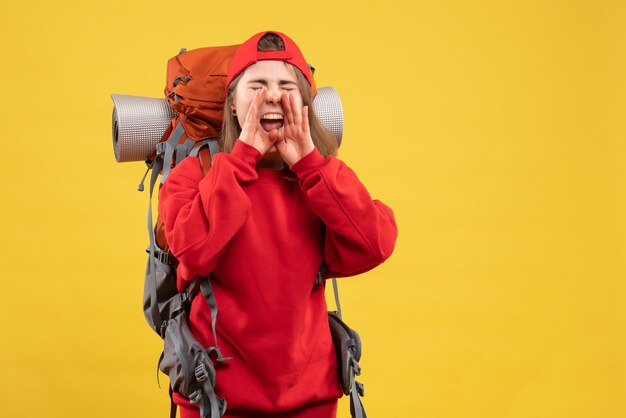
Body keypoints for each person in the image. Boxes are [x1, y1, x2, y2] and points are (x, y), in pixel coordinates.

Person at [158, 30, 398, 418]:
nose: (272, 95)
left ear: (304, 105)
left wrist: (311, 167)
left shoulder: (320, 179)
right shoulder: (194, 175)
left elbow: (374, 244)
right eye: (257, 85)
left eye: (287, 85)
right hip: (213, 398)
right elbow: (193, 251)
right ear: (233, 105)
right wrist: (242, 159)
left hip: (311, 400)